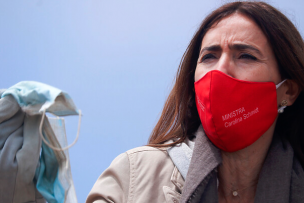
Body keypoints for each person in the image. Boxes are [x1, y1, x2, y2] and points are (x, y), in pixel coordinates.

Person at [86, 1, 304, 202]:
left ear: (289, 91)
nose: (220, 70)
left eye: (246, 56)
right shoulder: (133, 175)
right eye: (209, 57)